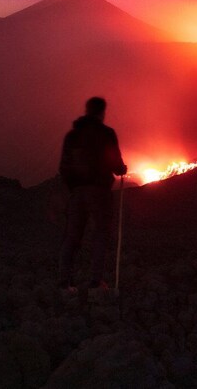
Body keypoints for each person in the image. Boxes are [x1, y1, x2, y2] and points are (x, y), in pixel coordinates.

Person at [58, 96, 127, 293]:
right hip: (99, 192)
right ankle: (96, 283)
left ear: (86, 110)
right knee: (100, 234)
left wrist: (74, 186)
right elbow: (116, 163)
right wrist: (121, 169)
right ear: (102, 113)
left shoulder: (72, 136)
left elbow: (63, 166)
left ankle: (64, 284)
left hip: (77, 193)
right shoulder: (106, 134)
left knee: (72, 236)